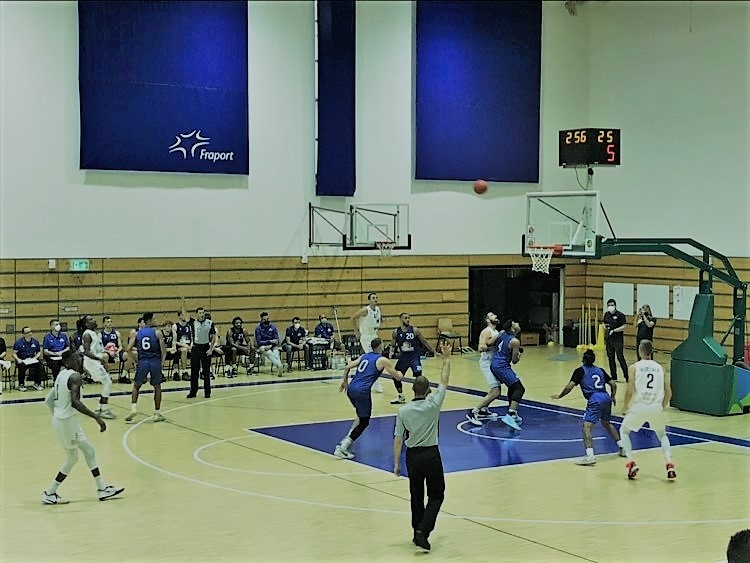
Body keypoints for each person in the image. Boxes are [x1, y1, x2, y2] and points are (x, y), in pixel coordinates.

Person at [41, 351, 124, 504]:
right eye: (76, 358)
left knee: (89, 451)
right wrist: (96, 417)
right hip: (66, 422)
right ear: (68, 361)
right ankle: (50, 492)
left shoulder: (61, 375)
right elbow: (75, 402)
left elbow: (48, 400)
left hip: (67, 421)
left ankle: (102, 489)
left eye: (80, 357)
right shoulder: (74, 377)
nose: (80, 360)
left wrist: (57, 416)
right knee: (72, 458)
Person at [393, 342, 452, 552]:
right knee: (436, 495)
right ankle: (423, 531)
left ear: (412, 389)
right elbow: (444, 381)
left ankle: (416, 531)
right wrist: (446, 359)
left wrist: (396, 464)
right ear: (428, 391)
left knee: (416, 496)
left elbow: (398, 439)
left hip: (412, 457)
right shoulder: (433, 404)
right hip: (431, 454)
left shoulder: (403, 411)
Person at [550, 348, 625, 465]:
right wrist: (613, 396)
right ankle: (622, 447)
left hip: (595, 399)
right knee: (606, 423)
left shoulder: (580, 371)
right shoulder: (600, 370)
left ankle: (590, 456)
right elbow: (613, 384)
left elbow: (570, 386)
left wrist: (560, 395)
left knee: (586, 428)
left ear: (583, 360)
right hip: (606, 397)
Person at [334, 338, 403, 460]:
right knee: (364, 422)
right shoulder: (382, 360)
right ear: (380, 346)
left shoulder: (364, 356)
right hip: (362, 392)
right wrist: (401, 373)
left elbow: (347, 367)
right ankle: (342, 447)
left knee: (360, 416)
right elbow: (397, 377)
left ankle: (347, 441)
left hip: (351, 389)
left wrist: (345, 382)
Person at [620, 339, 675, 480]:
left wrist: (625, 407)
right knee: (662, 435)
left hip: (639, 405)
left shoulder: (634, 367)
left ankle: (631, 463)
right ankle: (669, 463)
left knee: (624, 431)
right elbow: (669, 392)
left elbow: (629, 389)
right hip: (655, 406)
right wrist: (661, 406)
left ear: (640, 351)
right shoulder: (661, 368)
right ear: (652, 351)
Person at [125, 312, 166, 423]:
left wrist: (135, 361)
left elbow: (128, 349)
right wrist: (161, 363)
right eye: (154, 319)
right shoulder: (157, 333)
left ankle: (133, 408)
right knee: (157, 387)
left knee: (136, 386)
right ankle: (157, 413)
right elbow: (163, 351)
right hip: (155, 362)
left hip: (143, 361)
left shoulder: (137, 333)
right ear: (149, 321)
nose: (156, 321)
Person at [388, 313, 435, 405]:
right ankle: (401, 397)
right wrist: (391, 352)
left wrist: (434, 351)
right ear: (400, 319)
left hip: (414, 357)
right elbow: (393, 345)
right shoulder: (396, 332)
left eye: (409, 318)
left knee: (419, 378)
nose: (408, 320)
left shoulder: (415, 330)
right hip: (403, 358)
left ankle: (423, 396)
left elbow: (424, 342)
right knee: (395, 377)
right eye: (405, 318)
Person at [488, 320, 525, 430]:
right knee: (519, 388)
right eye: (515, 323)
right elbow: (514, 361)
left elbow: (490, 343)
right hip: (501, 366)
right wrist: (519, 354)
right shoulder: (515, 341)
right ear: (513, 328)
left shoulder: (503, 333)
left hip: (495, 363)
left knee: (512, 386)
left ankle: (512, 411)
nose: (518, 324)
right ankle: (511, 415)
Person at [466, 312, 502, 424]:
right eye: (492, 315)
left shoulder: (496, 332)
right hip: (487, 363)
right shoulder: (487, 331)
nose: (495, 316)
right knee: (496, 391)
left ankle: (484, 410)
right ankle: (474, 412)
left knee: (497, 390)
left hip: (494, 363)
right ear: (487, 320)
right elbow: (481, 347)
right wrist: (494, 343)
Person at [80, 315, 116, 419]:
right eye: (91, 319)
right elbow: (86, 352)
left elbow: (97, 349)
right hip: (92, 363)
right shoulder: (87, 334)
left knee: (107, 383)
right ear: (86, 323)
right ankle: (104, 409)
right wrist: (99, 358)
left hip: (95, 362)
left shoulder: (93, 333)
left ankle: (99, 408)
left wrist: (107, 352)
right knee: (108, 383)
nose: (94, 320)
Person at [351, 292, 384, 393]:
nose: (375, 299)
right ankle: (375, 384)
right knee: (373, 359)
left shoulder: (377, 309)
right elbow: (352, 318)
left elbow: (377, 320)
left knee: (377, 358)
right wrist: (356, 332)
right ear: (369, 300)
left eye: (376, 297)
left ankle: (363, 376)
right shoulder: (365, 310)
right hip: (366, 337)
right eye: (373, 298)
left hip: (374, 335)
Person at [186, 306, 216, 399]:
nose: (202, 314)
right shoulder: (193, 322)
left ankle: (207, 392)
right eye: (200, 313)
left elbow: (214, 337)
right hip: (196, 348)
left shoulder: (210, 323)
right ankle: (193, 392)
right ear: (196, 314)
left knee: (206, 372)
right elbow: (185, 315)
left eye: (203, 312)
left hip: (205, 347)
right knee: (194, 372)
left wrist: (210, 349)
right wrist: (183, 303)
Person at [603, 298, 628, 381]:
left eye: (612, 305)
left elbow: (624, 326)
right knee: (610, 358)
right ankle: (613, 376)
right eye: (609, 305)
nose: (610, 306)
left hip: (617, 339)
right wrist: (605, 327)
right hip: (609, 339)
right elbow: (603, 322)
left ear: (615, 306)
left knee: (620, 357)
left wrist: (614, 330)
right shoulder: (606, 314)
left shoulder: (620, 315)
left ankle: (626, 376)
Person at [101, 315, 131, 384]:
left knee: (127, 355)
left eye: (111, 321)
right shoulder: (101, 334)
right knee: (104, 356)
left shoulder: (116, 333)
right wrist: (109, 352)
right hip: (107, 353)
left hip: (116, 352)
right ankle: (107, 376)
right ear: (104, 324)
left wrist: (117, 351)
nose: (110, 323)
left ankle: (123, 376)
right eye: (108, 322)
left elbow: (120, 346)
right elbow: (100, 348)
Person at [12, 327, 43, 391]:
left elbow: (39, 352)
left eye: (30, 331)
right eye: (27, 332)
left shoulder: (35, 342)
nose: (30, 333)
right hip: (22, 360)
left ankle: (37, 383)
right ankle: (21, 384)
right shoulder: (18, 342)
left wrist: (35, 357)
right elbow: (14, 354)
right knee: (21, 367)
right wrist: (18, 359)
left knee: (39, 365)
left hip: (31, 359)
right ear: (24, 334)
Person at [174, 301, 193, 381]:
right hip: (179, 347)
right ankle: (184, 372)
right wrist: (185, 346)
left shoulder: (189, 326)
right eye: (182, 314)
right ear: (179, 316)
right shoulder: (175, 326)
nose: (185, 316)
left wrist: (191, 345)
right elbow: (174, 341)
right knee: (184, 350)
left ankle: (202, 371)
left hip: (188, 346)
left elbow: (192, 338)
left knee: (200, 350)